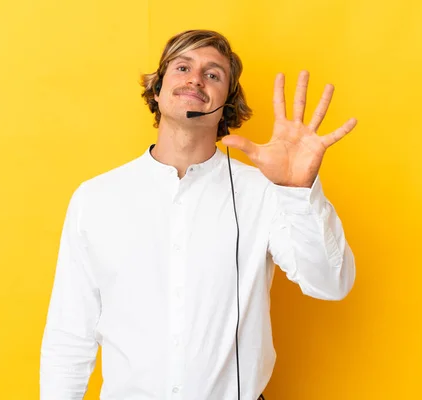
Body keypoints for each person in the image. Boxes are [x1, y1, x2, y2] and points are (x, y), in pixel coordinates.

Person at [40, 29, 357, 400]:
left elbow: (331, 283)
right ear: (156, 90)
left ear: (227, 105)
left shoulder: (266, 191)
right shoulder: (95, 199)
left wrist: (299, 191)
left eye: (213, 74)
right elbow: (69, 334)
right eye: (182, 67)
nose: (195, 78)